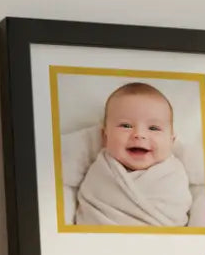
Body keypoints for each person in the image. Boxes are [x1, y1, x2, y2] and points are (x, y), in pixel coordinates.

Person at [74, 82, 194, 227]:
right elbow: (90, 212)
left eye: (154, 128)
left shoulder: (173, 174)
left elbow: (177, 212)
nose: (139, 134)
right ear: (105, 137)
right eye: (126, 126)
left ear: (171, 141)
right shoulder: (101, 171)